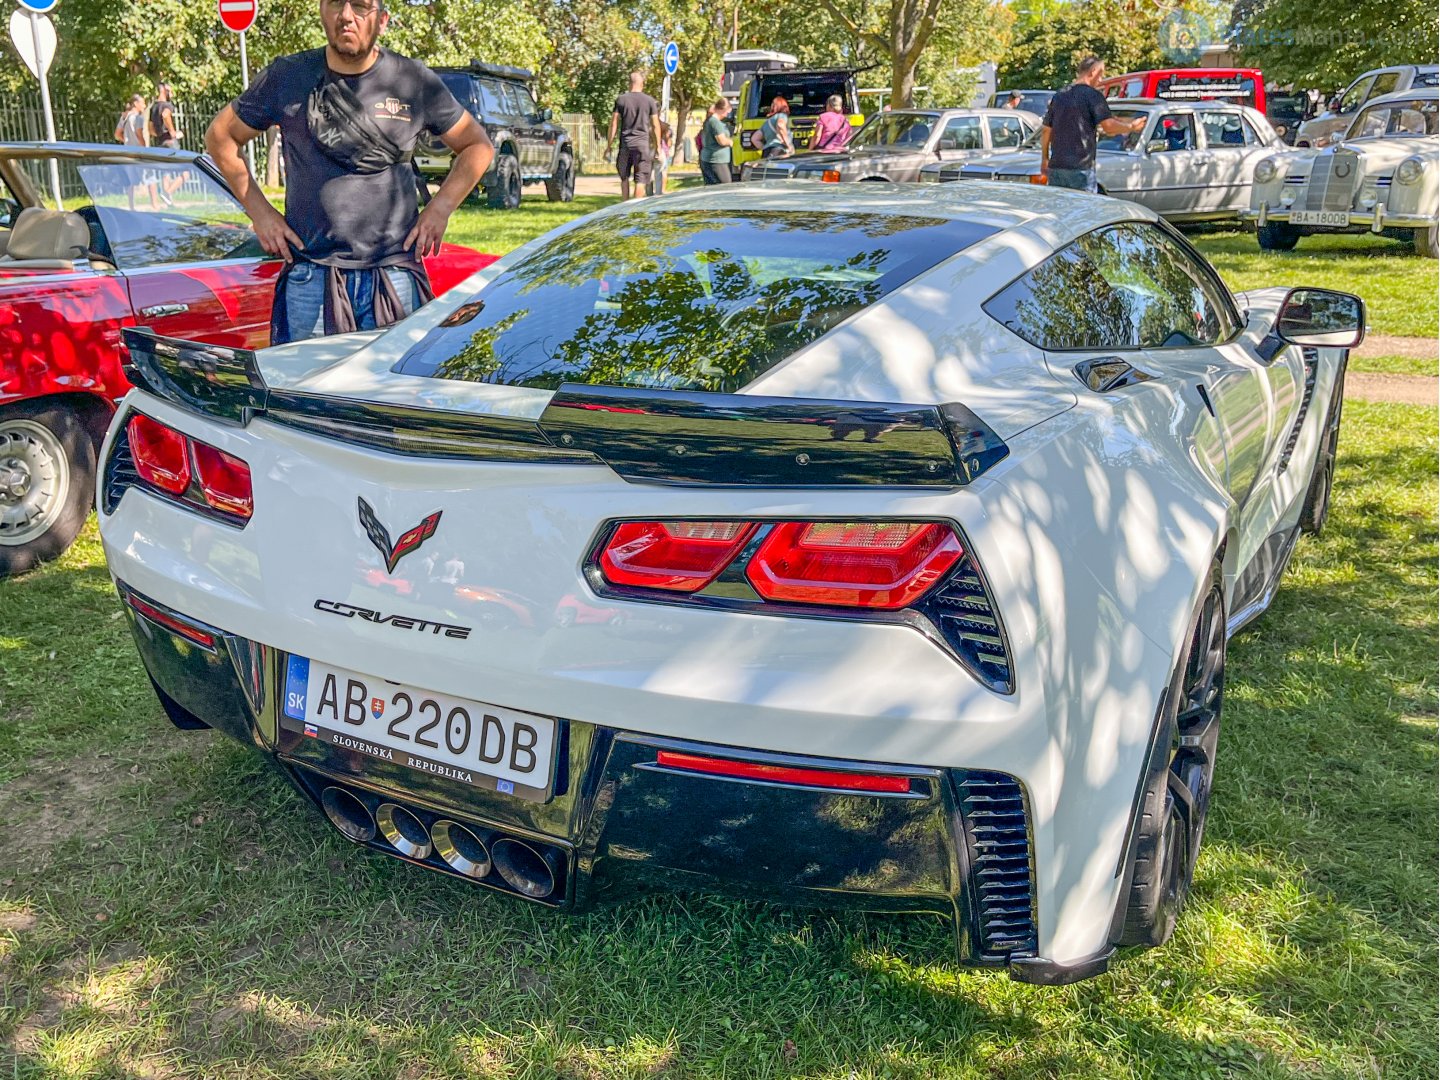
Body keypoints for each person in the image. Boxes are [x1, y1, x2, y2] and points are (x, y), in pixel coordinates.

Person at [204, 0, 494, 345]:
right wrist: (261, 214)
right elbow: (220, 137)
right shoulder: (289, 76)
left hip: (393, 274)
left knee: (391, 380)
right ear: (322, 12)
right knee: (308, 381)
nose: (346, 15)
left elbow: (477, 146)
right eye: (335, 4)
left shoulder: (411, 80)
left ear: (382, 20)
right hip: (311, 276)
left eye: (360, 6)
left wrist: (441, 208)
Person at [1039, 56, 1145, 192]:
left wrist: (1044, 158)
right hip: (1081, 168)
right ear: (1093, 71)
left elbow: (1046, 130)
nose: (1101, 80)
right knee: (1084, 204)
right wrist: (1131, 127)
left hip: (1057, 167)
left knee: (1059, 205)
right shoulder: (1093, 96)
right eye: (1101, 74)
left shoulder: (1059, 96)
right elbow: (1108, 127)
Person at [606, 71, 661, 201]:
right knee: (640, 179)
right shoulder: (650, 101)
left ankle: (624, 206)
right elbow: (655, 125)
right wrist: (657, 146)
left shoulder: (621, 100)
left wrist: (609, 146)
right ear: (642, 84)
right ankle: (635, 208)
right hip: (642, 145)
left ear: (629, 83)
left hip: (625, 144)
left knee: (624, 178)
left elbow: (613, 123)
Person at [699, 97, 734, 184]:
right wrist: (731, 142)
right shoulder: (715, 122)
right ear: (723, 109)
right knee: (725, 185)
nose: (727, 115)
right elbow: (722, 141)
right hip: (716, 160)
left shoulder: (710, 121)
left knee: (712, 185)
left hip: (709, 158)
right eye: (727, 112)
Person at [149, 82, 181, 148]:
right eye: (170, 92)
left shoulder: (154, 107)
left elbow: (151, 129)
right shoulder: (167, 105)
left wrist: (159, 134)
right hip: (170, 141)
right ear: (164, 91)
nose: (171, 95)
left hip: (159, 142)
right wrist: (173, 133)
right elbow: (165, 115)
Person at [654, 120, 673, 194]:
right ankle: (662, 189)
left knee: (657, 172)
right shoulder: (665, 133)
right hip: (664, 152)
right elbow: (669, 144)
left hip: (660, 151)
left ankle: (656, 190)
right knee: (663, 172)